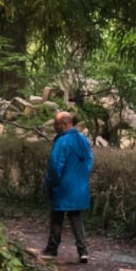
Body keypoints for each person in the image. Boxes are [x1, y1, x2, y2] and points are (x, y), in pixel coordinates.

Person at [43, 110, 93, 262]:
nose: (54, 127)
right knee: (76, 217)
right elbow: (89, 161)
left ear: (64, 124)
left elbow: (55, 166)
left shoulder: (62, 142)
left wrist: (49, 183)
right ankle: (83, 251)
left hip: (62, 186)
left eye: (56, 124)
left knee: (57, 216)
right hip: (79, 187)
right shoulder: (83, 140)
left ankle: (52, 250)